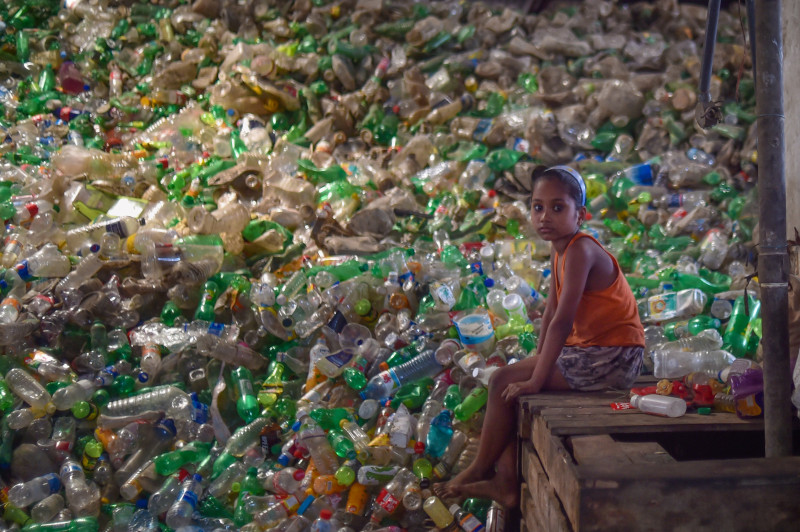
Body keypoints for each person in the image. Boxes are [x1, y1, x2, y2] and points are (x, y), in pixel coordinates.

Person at [434, 165, 645, 508]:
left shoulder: (581, 249)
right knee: (505, 380)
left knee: (505, 380)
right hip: (589, 350)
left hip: (614, 356)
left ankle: (479, 469)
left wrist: (536, 378)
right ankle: (503, 485)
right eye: (537, 206)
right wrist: (536, 362)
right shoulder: (560, 248)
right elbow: (549, 312)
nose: (545, 216)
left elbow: (563, 321)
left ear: (581, 215)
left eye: (558, 207)